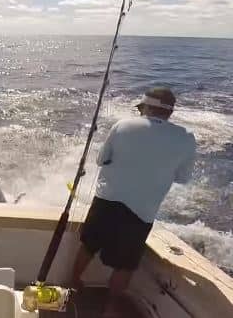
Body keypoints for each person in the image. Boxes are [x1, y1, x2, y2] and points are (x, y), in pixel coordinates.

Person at [71, 87, 197, 315]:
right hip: (142, 211)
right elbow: (183, 178)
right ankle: (110, 306)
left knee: (88, 245)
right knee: (125, 264)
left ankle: (74, 281)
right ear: (169, 112)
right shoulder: (186, 138)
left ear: (147, 107)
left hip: (107, 201)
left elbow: (101, 160)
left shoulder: (122, 125)